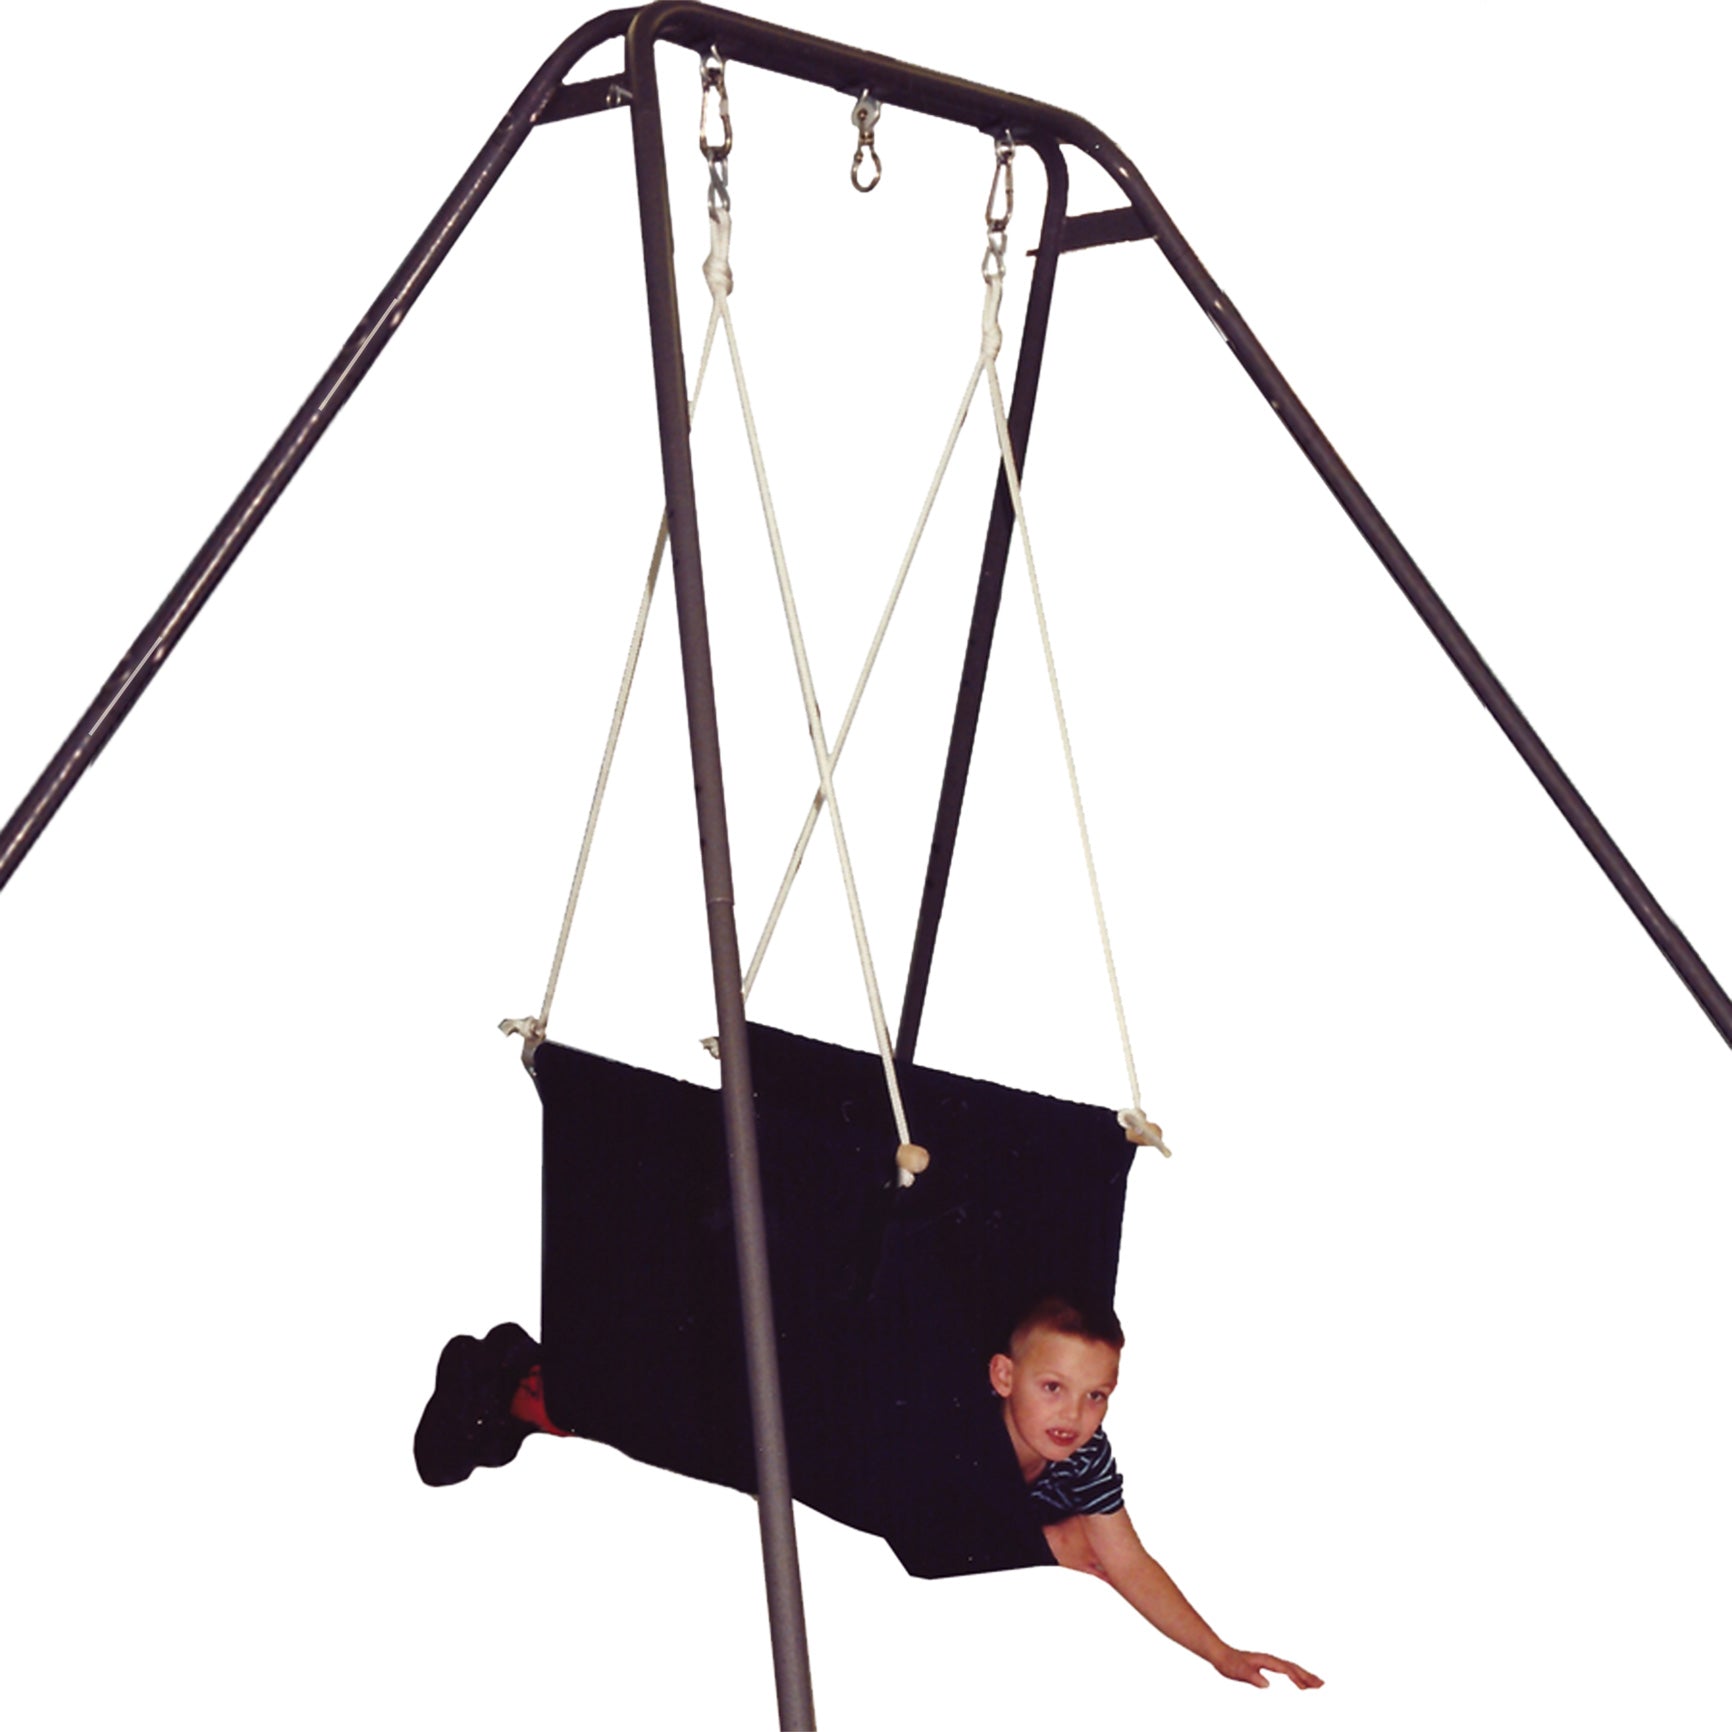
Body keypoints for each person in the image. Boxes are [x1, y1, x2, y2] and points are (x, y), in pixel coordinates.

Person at [991, 1294, 1322, 1691]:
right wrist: (1050, 1544)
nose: (1073, 1414)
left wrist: (1221, 1654)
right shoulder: (965, 1445)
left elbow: (1128, 1563)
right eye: (1052, 1387)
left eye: (1095, 1395)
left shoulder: (1086, 1453)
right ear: (1004, 1377)